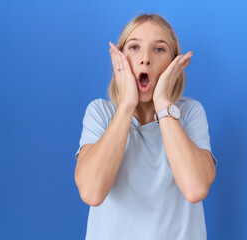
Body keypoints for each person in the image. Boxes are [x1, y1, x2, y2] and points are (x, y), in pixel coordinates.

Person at [74, 13, 218, 240]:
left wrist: (163, 103)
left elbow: (195, 188)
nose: (145, 59)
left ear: (174, 64)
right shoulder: (100, 113)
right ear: (119, 60)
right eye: (134, 47)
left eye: (159, 49)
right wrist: (126, 105)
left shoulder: (190, 113)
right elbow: (92, 192)